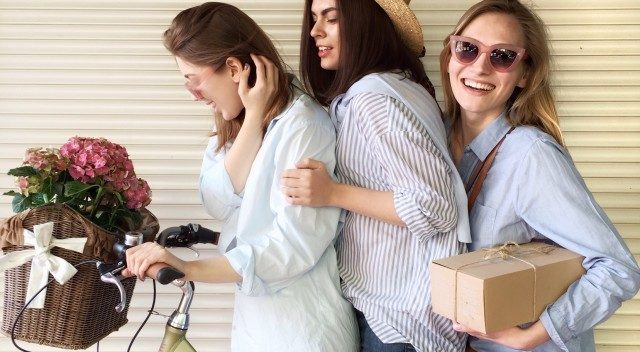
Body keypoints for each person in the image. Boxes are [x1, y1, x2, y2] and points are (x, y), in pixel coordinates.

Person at [122, 2, 358, 351]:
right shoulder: (236, 124)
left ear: (233, 67)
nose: (193, 94)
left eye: (195, 80)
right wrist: (253, 117)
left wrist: (187, 268)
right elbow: (217, 200)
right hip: (256, 323)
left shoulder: (303, 125)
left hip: (303, 329)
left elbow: (292, 246)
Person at [438, 0, 640, 351]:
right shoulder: (432, 141)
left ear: (525, 74)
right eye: (468, 49)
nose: (480, 67)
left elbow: (618, 269)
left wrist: (528, 337)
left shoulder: (531, 156)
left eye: (502, 56)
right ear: (451, 55)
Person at [280, 0, 471, 351]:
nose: (315, 32)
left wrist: (332, 193)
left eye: (331, 19)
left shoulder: (375, 99)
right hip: (399, 312)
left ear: (366, 23)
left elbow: (433, 208)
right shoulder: (398, 87)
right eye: (313, 19)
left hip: (399, 321)